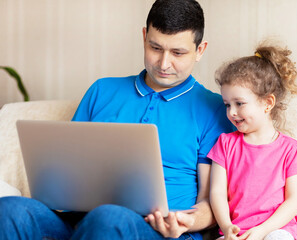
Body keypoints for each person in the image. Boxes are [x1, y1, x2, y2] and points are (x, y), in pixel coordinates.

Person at [0, 0, 234, 239]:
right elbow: (67, 168)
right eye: (155, 48)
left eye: (178, 53)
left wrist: (188, 221)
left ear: (200, 50)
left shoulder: (215, 108)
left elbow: (212, 202)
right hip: (79, 219)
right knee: (9, 210)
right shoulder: (102, 90)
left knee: (110, 218)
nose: (164, 64)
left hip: (158, 231)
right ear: (144, 37)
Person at [207, 43, 297, 240]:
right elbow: (217, 193)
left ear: (267, 103)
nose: (232, 112)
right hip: (237, 231)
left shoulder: (292, 150)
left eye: (240, 103)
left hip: (276, 230)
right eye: (227, 105)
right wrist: (227, 227)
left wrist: (262, 230)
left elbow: (294, 201)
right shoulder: (225, 144)